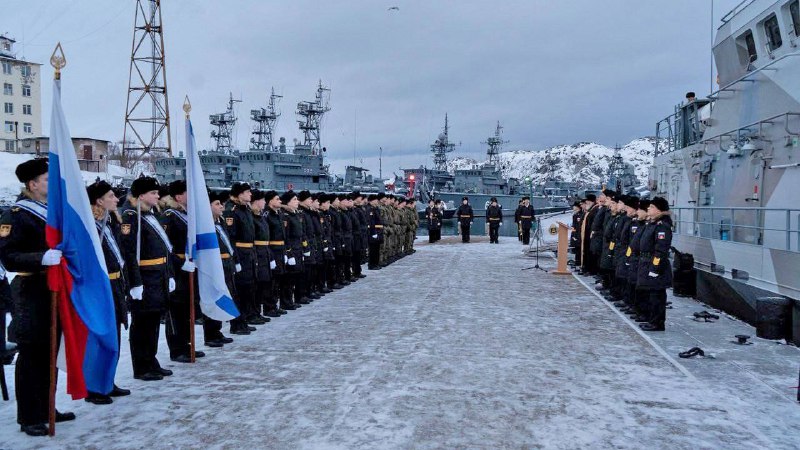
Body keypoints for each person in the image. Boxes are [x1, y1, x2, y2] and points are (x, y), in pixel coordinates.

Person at [0, 159, 76, 436]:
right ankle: (29, 416)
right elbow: (8, 256)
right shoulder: (16, 214)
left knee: (50, 353)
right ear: (32, 184)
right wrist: (40, 258)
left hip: (54, 291)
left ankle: (47, 407)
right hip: (30, 292)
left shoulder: (50, 212)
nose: (51, 184)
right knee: (32, 356)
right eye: (47, 179)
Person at [120, 176, 175, 382]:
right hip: (144, 277)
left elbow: (164, 247)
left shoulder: (149, 215)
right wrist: (134, 283)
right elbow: (128, 253)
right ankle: (141, 366)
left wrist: (168, 274)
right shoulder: (131, 216)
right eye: (153, 193)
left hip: (158, 275)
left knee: (152, 321)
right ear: (141, 195)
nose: (157, 195)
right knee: (142, 323)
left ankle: (151, 361)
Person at [84, 181, 132, 404]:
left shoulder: (109, 222)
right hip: (100, 288)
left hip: (115, 285)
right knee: (99, 338)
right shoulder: (90, 225)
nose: (116, 199)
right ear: (99, 201)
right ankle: (94, 388)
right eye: (111, 196)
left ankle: (107, 381)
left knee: (114, 336)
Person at [160, 180, 205, 363]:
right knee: (176, 311)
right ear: (179, 196)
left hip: (190, 266)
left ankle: (187, 344)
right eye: (188, 193)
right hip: (178, 268)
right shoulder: (169, 216)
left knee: (188, 308)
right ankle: (176, 348)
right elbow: (166, 247)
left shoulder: (187, 214)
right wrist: (179, 263)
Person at [224, 182, 261, 335]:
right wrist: (236, 260)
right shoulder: (232, 211)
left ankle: (244, 320)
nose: (250, 195)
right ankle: (236, 324)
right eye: (247, 192)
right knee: (238, 291)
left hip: (249, 253)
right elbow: (230, 239)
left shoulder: (245, 209)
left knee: (248, 289)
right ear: (239, 194)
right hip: (240, 254)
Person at [203, 190, 238, 347]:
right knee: (213, 298)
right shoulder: (206, 224)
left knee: (223, 296)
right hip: (214, 266)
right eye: (217, 204)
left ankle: (217, 331)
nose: (222, 207)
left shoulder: (219, 222)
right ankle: (210, 334)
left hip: (225, 264)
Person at [638, 197, 673, 332]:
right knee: (651, 295)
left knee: (657, 296)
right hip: (647, 263)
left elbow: (660, 251)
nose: (648, 209)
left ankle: (657, 323)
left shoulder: (662, 226)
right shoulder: (653, 224)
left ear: (659, 210)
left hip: (656, 267)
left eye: (651, 207)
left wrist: (655, 268)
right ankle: (652, 320)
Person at [251, 190, 279, 317]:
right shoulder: (253, 217)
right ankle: (255, 312)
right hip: (257, 253)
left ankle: (267, 308)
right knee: (256, 286)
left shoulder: (261, 216)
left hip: (265, 252)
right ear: (256, 201)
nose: (264, 202)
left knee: (266, 282)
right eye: (262, 200)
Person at [281, 191, 307, 304]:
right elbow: (285, 236)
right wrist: (288, 252)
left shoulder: (296, 214)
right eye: (294, 200)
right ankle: (287, 301)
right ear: (288, 202)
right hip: (292, 248)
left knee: (299, 274)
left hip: (298, 247)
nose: (297, 202)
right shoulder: (286, 216)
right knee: (289, 277)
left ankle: (299, 296)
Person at [579, 194, 598, 275]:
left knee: (590, 253)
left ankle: (590, 269)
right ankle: (586, 268)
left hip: (590, 235)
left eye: (587, 201)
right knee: (586, 252)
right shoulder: (590, 210)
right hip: (586, 234)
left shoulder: (594, 210)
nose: (585, 202)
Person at [366, 194, 384, 269]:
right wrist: (373, 233)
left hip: (378, 231)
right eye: (375, 200)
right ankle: (372, 265)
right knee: (372, 250)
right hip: (373, 232)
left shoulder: (376, 208)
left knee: (377, 249)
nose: (377, 201)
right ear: (371, 201)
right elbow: (371, 222)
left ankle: (376, 263)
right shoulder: (369, 209)